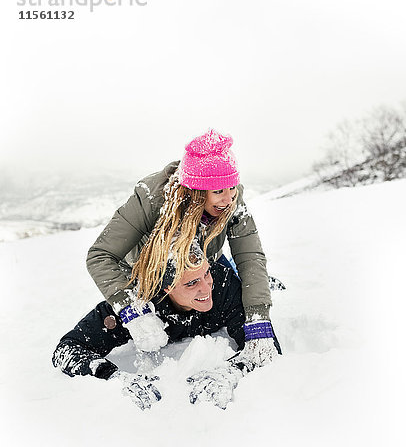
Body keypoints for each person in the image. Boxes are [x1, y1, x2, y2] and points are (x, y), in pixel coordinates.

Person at [86, 128, 280, 366]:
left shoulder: (231, 198)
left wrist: (258, 316)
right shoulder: (151, 199)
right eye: (218, 191)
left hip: (203, 262)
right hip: (155, 271)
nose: (228, 198)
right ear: (195, 192)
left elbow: (249, 255)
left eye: (232, 187)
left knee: (235, 283)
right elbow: (100, 255)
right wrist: (131, 309)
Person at [52, 250, 282, 410]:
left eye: (205, 274)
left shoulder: (222, 285)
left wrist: (232, 371)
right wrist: (113, 376)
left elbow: (264, 345)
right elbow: (67, 349)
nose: (205, 288)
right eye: (191, 283)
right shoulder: (137, 306)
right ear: (165, 288)